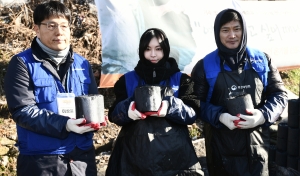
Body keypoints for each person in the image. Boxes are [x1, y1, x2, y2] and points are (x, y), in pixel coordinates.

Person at [4, 1, 104, 175]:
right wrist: (65, 124)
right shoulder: (22, 63)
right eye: (51, 25)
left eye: (64, 26)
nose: (59, 32)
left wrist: (96, 119)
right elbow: (22, 110)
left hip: (81, 157)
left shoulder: (82, 63)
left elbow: (92, 100)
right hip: (42, 160)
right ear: (36, 28)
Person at [191, 8, 288, 176]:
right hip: (220, 150)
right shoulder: (204, 66)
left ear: (243, 31)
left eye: (237, 29)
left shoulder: (262, 60)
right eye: (225, 30)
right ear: (217, 33)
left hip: (257, 147)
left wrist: (263, 115)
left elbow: (279, 94)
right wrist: (219, 116)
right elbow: (193, 101)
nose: (232, 35)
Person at [105, 28, 204, 175]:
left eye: (158, 49)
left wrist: (171, 106)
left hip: (175, 157)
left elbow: (192, 113)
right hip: (134, 157)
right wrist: (128, 110)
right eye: (148, 49)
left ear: (165, 50)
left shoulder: (181, 80)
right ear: (141, 51)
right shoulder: (127, 80)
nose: (153, 54)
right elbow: (114, 115)